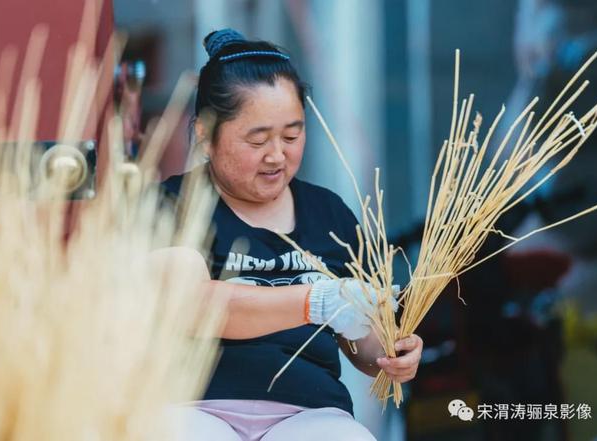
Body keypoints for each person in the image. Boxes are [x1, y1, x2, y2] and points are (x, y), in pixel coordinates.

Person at [160, 29, 423, 441]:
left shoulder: (329, 213)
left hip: (309, 413)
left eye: (291, 135)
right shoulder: (172, 204)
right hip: (193, 407)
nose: (277, 155)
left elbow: (364, 347)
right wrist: (318, 301)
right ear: (204, 135)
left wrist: (392, 352)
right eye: (258, 139)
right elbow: (196, 304)